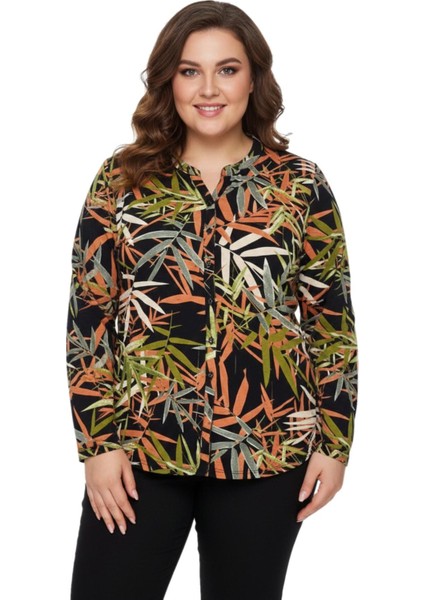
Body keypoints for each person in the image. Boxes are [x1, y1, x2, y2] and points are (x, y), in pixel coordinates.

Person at [66, 2, 358, 599]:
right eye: (189, 71)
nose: (208, 89)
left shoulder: (299, 184)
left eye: (227, 69)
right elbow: (89, 320)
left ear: (254, 79)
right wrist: (98, 445)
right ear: (168, 81)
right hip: (142, 448)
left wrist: (335, 443)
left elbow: (332, 322)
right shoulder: (121, 181)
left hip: (266, 449)